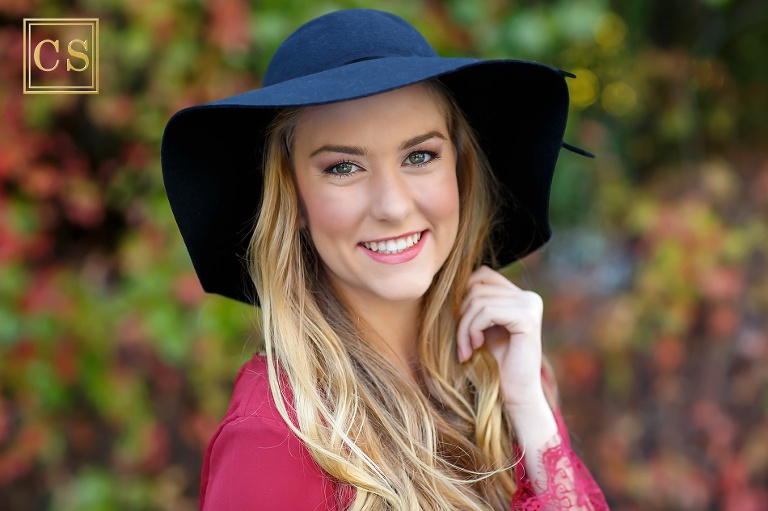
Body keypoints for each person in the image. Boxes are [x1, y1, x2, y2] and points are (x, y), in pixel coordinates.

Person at [161, 8, 609, 511]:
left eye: (420, 156)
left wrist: (528, 406)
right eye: (344, 167)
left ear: (459, 171)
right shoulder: (273, 438)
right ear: (294, 199)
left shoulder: (499, 381)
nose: (393, 206)